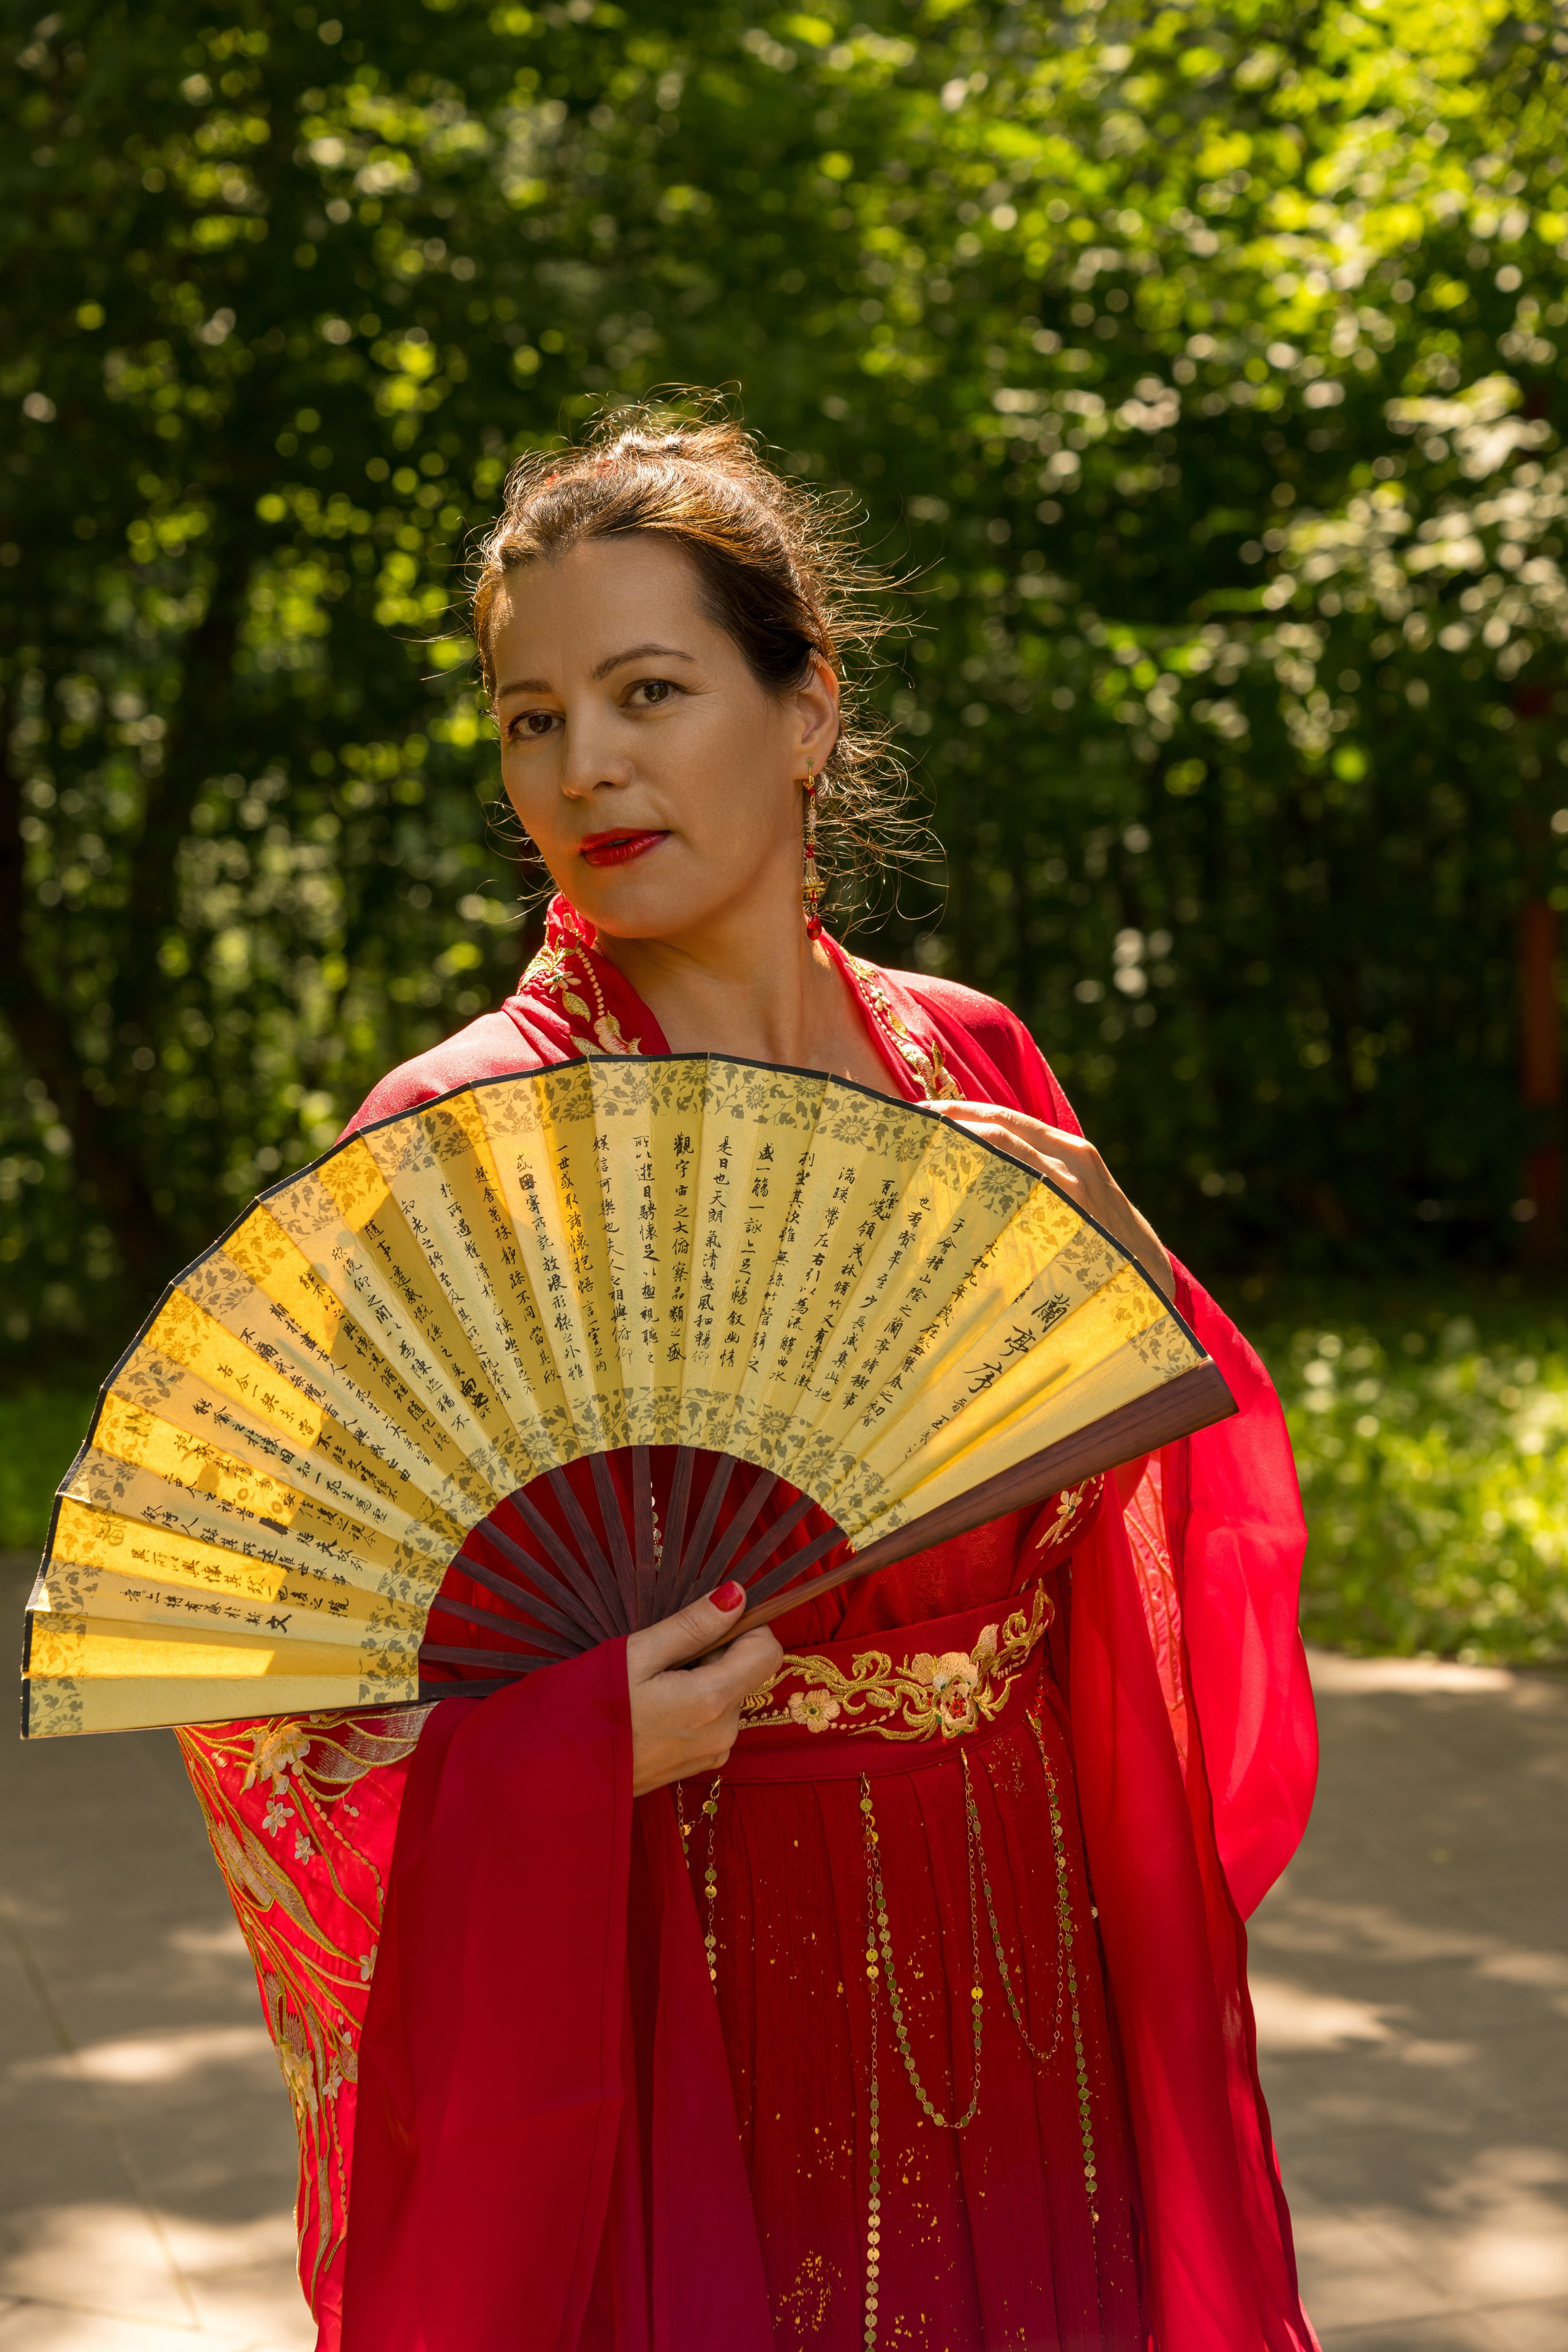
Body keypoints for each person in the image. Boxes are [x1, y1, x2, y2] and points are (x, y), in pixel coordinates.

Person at [178, 412, 1319, 2352]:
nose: (584, 764)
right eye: (531, 717)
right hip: (668, 1990)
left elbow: (1161, 1492)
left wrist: (1134, 1274)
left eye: (646, 691)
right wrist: (554, 1755)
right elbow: (268, 1731)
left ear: (806, 712)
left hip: (1026, 1959)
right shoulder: (468, 1145)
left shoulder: (971, 1067)